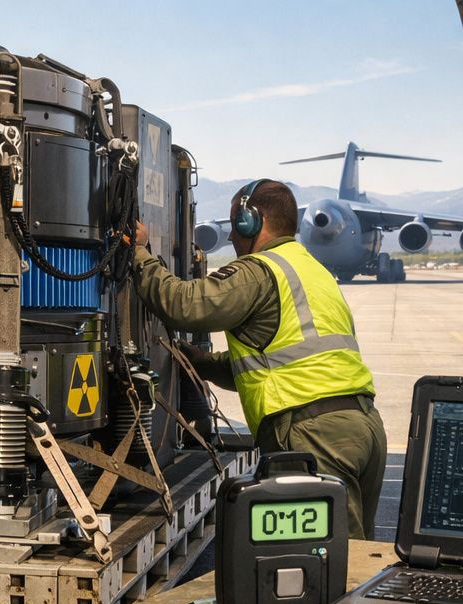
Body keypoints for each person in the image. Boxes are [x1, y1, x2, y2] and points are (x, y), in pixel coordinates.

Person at [131, 178, 386, 537]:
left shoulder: (260, 270)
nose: (233, 236)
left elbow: (185, 305)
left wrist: (140, 254)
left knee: (324, 557)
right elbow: (277, 363)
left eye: (236, 223)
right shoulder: (314, 271)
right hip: (363, 428)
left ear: (251, 221)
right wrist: (202, 364)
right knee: (355, 551)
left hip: (314, 436)